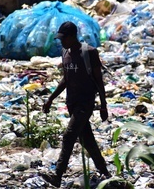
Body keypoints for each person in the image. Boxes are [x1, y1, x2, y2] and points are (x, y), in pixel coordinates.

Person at [39, 21, 111, 188]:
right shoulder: (65, 52)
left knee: (69, 135)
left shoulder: (89, 52)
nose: (61, 42)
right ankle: (105, 172)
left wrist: (103, 105)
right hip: (71, 103)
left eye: (64, 38)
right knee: (88, 140)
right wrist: (51, 98)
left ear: (72, 36)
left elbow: (99, 80)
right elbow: (66, 79)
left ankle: (57, 176)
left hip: (85, 103)